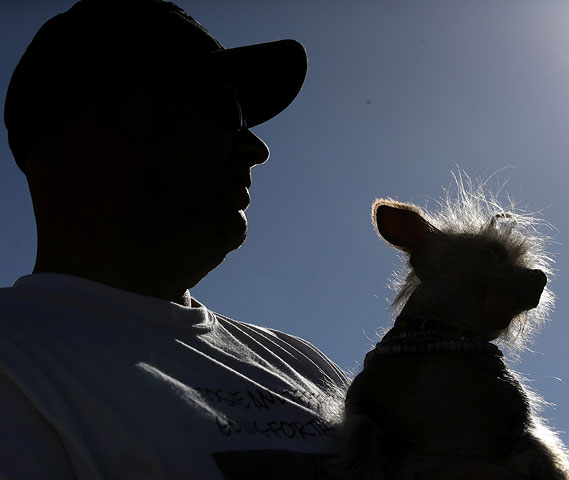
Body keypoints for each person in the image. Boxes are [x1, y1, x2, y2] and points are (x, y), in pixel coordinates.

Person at [0, 0, 348, 478]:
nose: (256, 147)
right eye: (225, 107)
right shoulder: (16, 360)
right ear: (109, 117)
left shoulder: (306, 366)